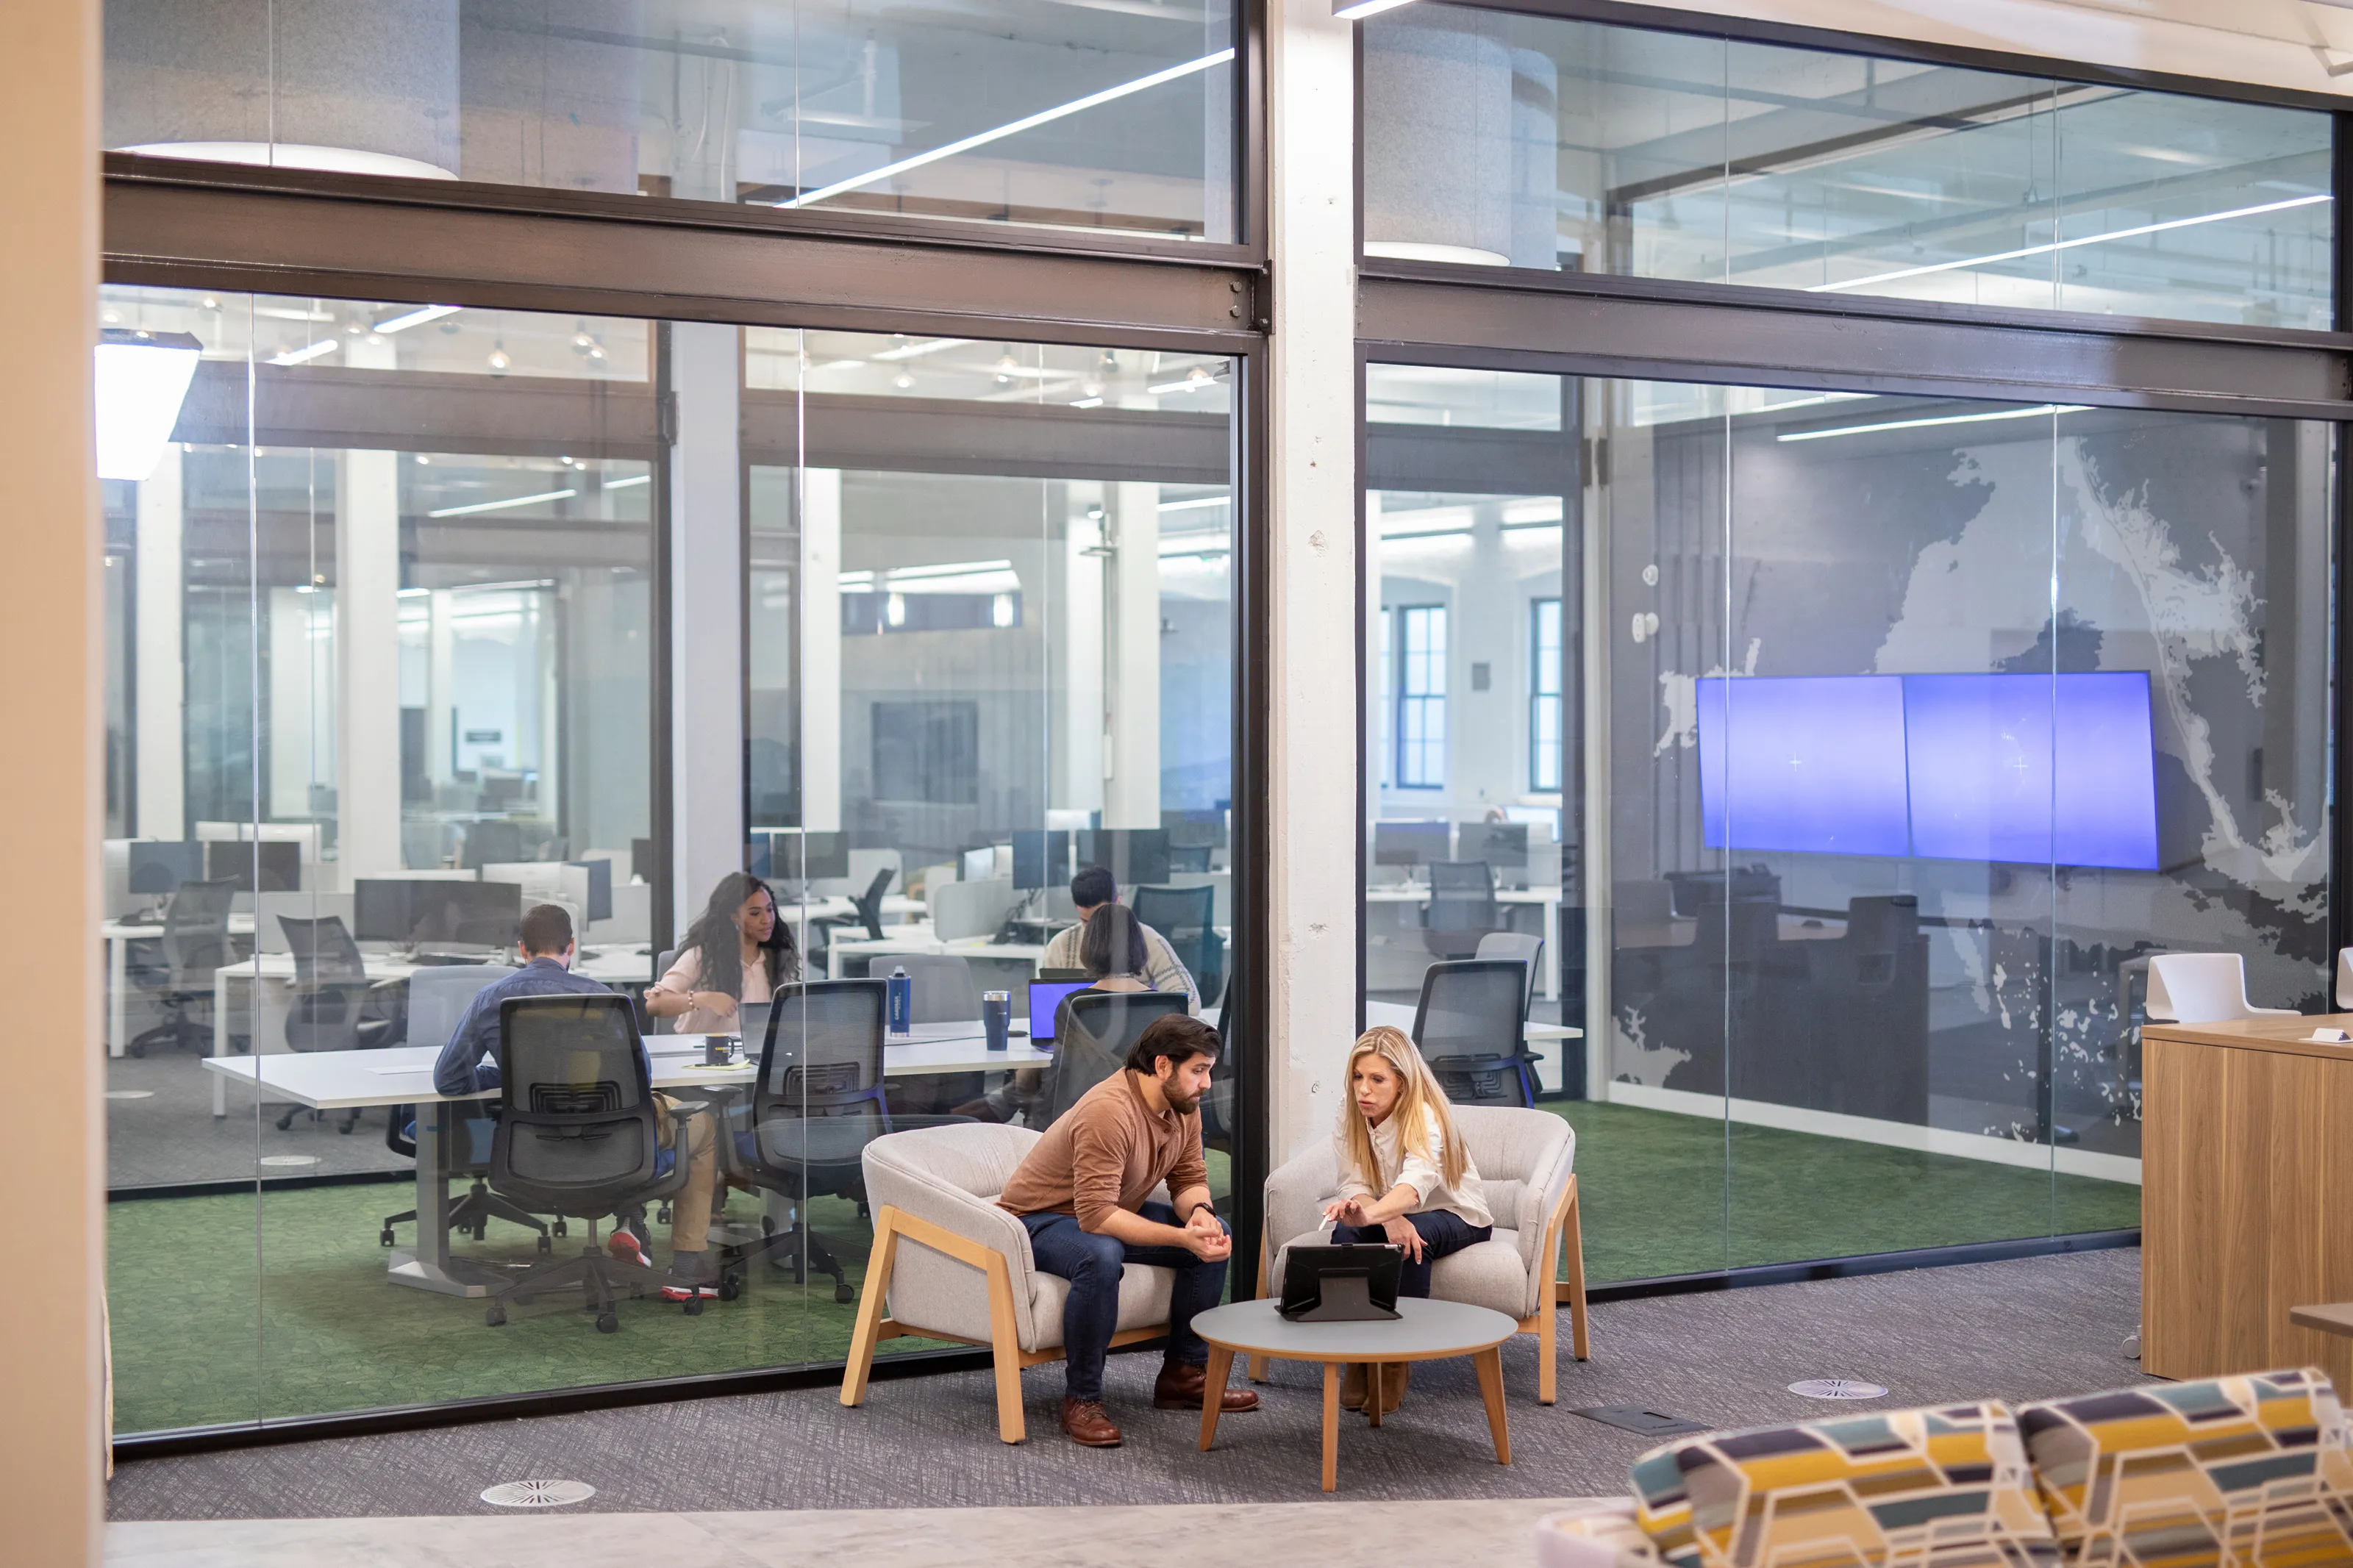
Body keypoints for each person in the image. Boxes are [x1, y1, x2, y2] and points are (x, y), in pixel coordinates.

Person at [432, 902, 722, 1300]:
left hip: (535, 1148)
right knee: (702, 1126)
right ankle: (684, 1267)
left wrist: (512, 1077)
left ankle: (631, 1219)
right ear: (572, 946)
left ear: (522, 949)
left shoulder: (490, 999)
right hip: (614, 1144)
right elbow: (642, 1080)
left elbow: (449, 1079)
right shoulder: (603, 998)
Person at [996, 1012, 1258, 1447]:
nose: (1207, 1084)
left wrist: (1200, 1214)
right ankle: (1082, 1399)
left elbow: (1189, 1178)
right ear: (1162, 1066)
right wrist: (1178, 1236)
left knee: (1214, 1232)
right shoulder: (1110, 1112)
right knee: (1099, 1254)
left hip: (1103, 1213)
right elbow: (1096, 1218)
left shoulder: (1182, 1105)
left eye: (1208, 1071)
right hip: (1036, 1221)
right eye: (1199, 1071)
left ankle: (1183, 1374)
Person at [1323, 1024, 1493, 1416]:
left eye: (1377, 1079)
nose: (1363, 1089)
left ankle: (1397, 1360)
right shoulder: (1348, 1111)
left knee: (1412, 1240)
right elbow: (1353, 1182)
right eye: (1357, 1076)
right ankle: (1358, 1355)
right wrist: (1381, 1218)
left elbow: (1414, 1187)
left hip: (1456, 1213)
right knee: (1347, 1234)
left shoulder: (1425, 1116)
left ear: (1401, 1082)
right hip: (1392, 1209)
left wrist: (1378, 1215)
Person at [646, 872, 800, 1036]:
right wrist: (704, 998)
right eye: (755, 913)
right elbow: (655, 1004)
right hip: (703, 1055)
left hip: (756, 1053)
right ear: (734, 918)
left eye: (769, 910)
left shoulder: (775, 957)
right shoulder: (702, 956)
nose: (767, 920)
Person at [1040, 865, 1199, 1011]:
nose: (1093, 930)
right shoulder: (1060, 946)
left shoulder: (1148, 940)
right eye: (1085, 921)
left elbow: (1190, 1002)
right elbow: (1048, 1008)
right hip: (1081, 1035)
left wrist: (1150, 1020)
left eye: (1101, 918)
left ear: (1118, 903)